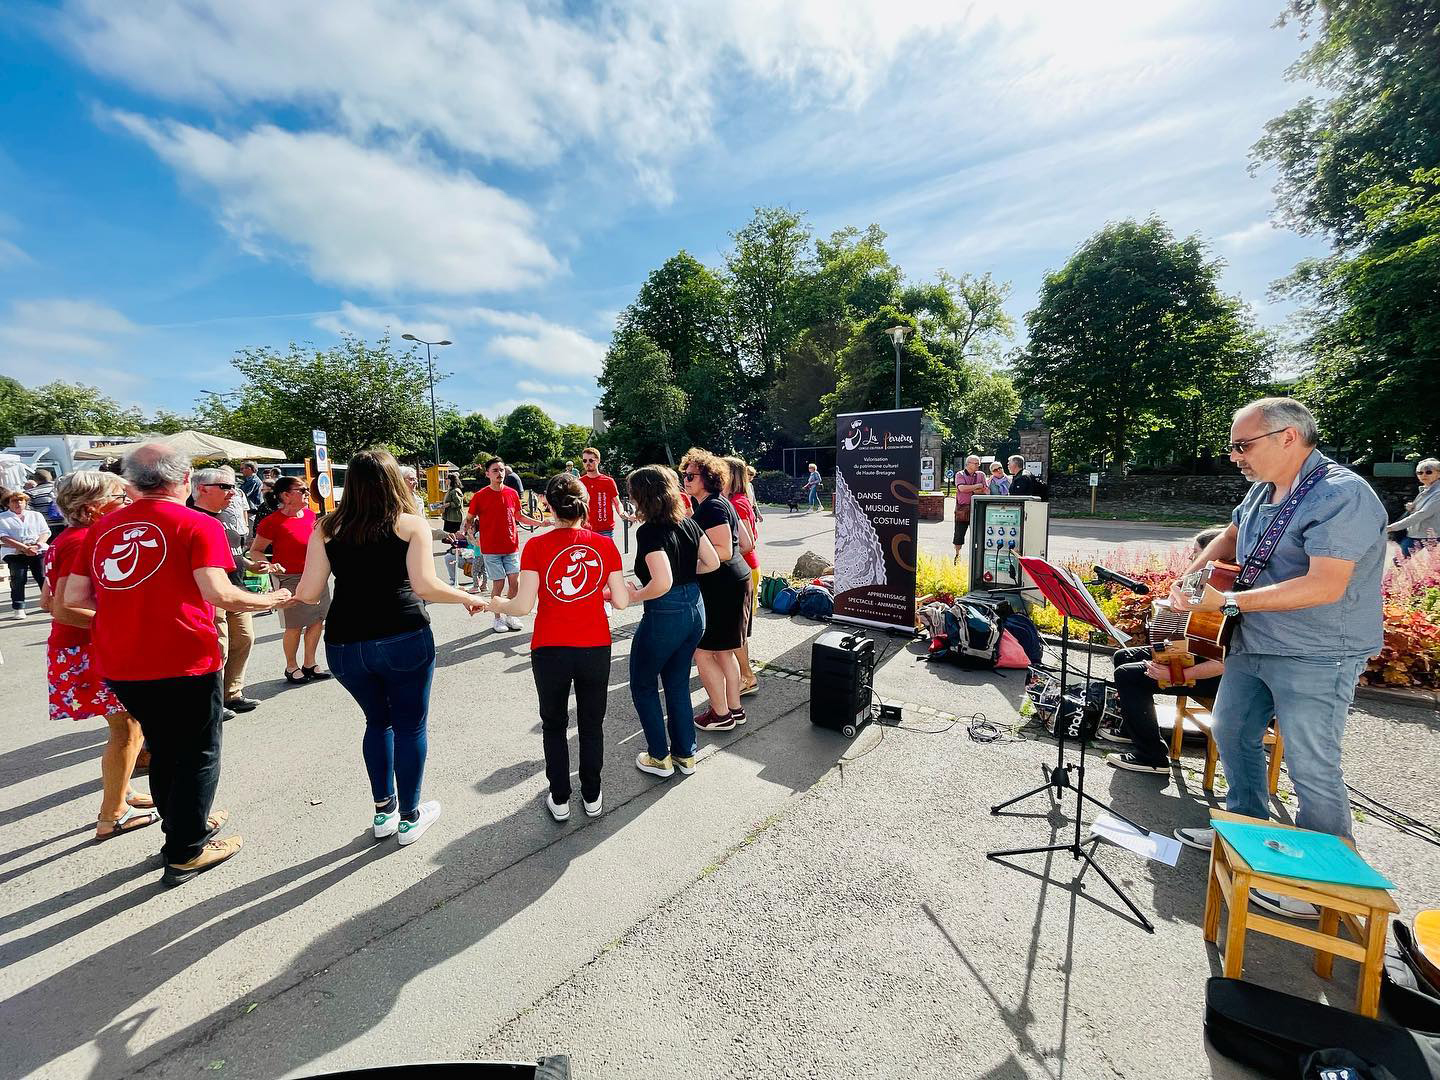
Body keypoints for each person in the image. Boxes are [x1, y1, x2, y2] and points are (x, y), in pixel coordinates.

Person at [1168, 398, 1387, 921]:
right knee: (1231, 730)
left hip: (1316, 653)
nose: (1235, 456)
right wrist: (1192, 576)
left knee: (1312, 767)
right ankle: (1246, 833)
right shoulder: (1264, 489)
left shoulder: (1342, 495)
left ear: (1288, 437)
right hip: (1254, 641)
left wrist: (1229, 602)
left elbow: (1325, 584)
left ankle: (1322, 885)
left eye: (1243, 446)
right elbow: (1231, 532)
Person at [66, 443, 291, 885]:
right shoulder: (196, 524)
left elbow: (72, 600)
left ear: (130, 483)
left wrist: (126, 614)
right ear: (184, 479)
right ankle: (186, 849)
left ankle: (184, 826)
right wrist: (271, 599)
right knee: (198, 754)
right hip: (183, 658)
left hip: (121, 660)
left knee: (165, 749)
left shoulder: (103, 528)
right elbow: (219, 593)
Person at [293, 449, 486, 846]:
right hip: (403, 635)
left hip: (345, 643)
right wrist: (466, 597)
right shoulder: (408, 524)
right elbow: (425, 587)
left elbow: (309, 592)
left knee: (376, 722)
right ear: (394, 481)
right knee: (410, 724)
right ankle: (410, 817)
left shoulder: (327, 527)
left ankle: (384, 810)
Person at [486, 473, 628, 822]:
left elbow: (521, 606)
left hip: (550, 647)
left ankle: (560, 798)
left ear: (548, 504)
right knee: (592, 724)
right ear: (583, 503)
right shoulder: (604, 544)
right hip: (595, 644)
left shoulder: (535, 546)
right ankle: (592, 795)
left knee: (554, 724)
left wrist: (491, 602)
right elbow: (622, 600)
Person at [43, 471, 158, 841]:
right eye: (118, 498)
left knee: (126, 727)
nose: (126, 504)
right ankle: (112, 814)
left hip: (76, 647)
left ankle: (122, 791)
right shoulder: (81, 542)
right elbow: (63, 608)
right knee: (128, 729)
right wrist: (120, 621)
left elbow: (47, 602)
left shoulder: (64, 540)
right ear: (93, 509)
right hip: (91, 649)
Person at [1101, 528, 1227, 773]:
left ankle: (1152, 757)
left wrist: (1175, 675)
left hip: (1219, 677)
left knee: (1131, 675)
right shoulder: (1206, 589)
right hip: (1198, 659)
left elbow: (1225, 662)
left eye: (1196, 555)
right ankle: (1135, 730)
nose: (1192, 561)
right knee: (1123, 656)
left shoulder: (1227, 598)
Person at [626, 466, 720, 778]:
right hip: (695, 609)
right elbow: (713, 561)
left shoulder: (650, 532)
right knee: (677, 683)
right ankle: (685, 755)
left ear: (642, 496)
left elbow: (662, 582)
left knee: (642, 684)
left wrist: (634, 595)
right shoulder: (690, 524)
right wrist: (685, 575)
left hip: (665, 613)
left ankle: (659, 757)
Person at [191, 467, 275, 716]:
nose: (233, 492)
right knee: (219, 648)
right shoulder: (194, 519)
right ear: (202, 489)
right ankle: (211, 703)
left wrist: (252, 565)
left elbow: (234, 554)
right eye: (225, 487)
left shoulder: (224, 519)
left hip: (236, 587)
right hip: (212, 594)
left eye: (234, 486)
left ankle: (232, 694)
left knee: (244, 639)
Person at [682, 448, 755, 732]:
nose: (685, 480)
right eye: (683, 475)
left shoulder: (712, 506)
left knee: (703, 653)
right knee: (724, 652)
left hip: (721, 586)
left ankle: (720, 714)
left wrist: (687, 567)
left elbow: (723, 551)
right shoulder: (718, 503)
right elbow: (744, 544)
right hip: (732, 581)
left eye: (691, 475)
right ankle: (734, 709)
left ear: (708, 478)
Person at [250, 476, 332, 683]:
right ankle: (291, 666)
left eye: (306, 490)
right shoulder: (272, 522)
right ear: (285, 495)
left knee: (317, 620)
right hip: (289, 578)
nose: (306, 494)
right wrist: (268, 565)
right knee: (294, 625)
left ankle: (310, 663)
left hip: (316, 574)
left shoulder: (310, 516)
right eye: (301, 490)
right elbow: (256, 551)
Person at [463, 457, 548, 634]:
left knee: (514, 582)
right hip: (491, 548)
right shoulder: (480, 496)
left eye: (501, 470)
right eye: (495, 470)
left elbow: (520, 516)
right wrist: (471, 537)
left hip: (511, 545)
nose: (499, 473)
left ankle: (510, 613)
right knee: (499, 583)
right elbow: (469, 520)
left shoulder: (512, 493)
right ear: (487, 474)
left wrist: (540, 523)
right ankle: (497, 617)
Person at [724, 455, 761, 696]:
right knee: (734, 630)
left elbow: (747, 542)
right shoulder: (736, 500)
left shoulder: (737, 502)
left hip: (743, 568)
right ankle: (741, 674)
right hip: (744, 568)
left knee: (735, 631)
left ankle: (747, 676)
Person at [0, 488, 49, 619]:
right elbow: (4, 537)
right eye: (14, 501)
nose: (18, 504)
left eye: (21, 500)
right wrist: (24, 548)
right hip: (14, 552)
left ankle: (48, 602)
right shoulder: (2, 517)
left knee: (42, 576)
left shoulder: (35, 515)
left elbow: (45, 532)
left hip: (37, 550)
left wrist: (36, 545)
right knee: (18, 578)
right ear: (8, 503)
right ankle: (19, 607)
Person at [1388, 457, 1439, 558]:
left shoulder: (1437, 493)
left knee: (1401, 563)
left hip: (1429, 536)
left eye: (1428, 472)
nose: (1423, 475)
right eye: (1419, 473)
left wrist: (1392, 527)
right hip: (1417, 534)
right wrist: (1412, 507)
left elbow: (1422, 514)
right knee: (1401, 563)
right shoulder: (1425, 490)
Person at [578, 446, 629, 541]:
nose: (587, 463)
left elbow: (617, 502)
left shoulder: (608, 481)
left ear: (598, 460)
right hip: (585, 529)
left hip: (605, 530)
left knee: (606, 556)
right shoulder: (579, 482)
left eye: (591, 460)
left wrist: (622, 513)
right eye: (585, 461)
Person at [953, 454, 987, 559]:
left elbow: (985, 490)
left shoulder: (981, 475)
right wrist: (977, 486)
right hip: (962, 509)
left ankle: (978, 556)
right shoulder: (960, 474)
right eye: (976, 463)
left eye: (978, 463)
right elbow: (962, 488)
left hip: (978, 508)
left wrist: (970, 488)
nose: (978, 465)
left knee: (979, 533)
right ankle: (957, 555)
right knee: (959, 533)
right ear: (968, 464)